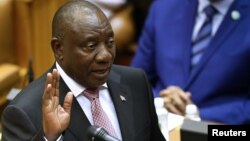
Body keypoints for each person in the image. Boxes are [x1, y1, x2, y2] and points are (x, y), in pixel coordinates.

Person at [1, 0, 166, 140]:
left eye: (110, 42)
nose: (106, 56)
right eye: (91, 46)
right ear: (59, 49)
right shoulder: (24, 113)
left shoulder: (136, 82)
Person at [131, 0, 250, 124]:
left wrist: (194, 113)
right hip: (160, 125)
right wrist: (159, 102)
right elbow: (136, 81)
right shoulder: (164, 7)